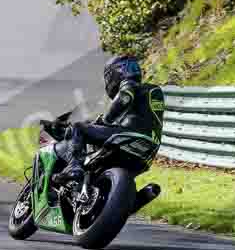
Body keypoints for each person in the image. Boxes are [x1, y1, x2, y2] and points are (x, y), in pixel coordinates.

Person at [55, 54, 165, 184]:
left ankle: (73, 166)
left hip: (128, 136)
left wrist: (104, 120)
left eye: (108, 76)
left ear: (117, 73)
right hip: (149, 151)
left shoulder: (129, 85)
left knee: (79, 128)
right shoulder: (152, 91)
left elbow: (124, 98)